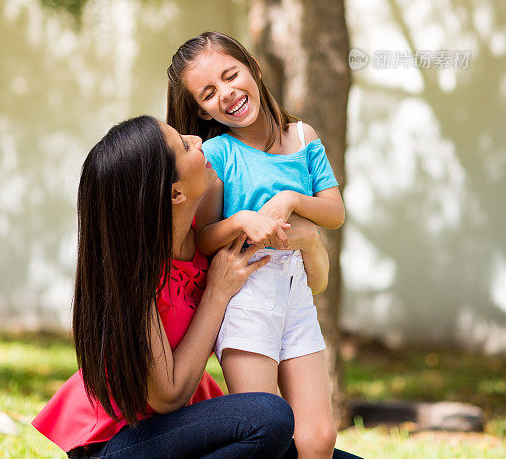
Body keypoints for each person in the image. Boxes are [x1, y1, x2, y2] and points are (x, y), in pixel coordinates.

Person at [32, 115, 335, 459]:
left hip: (179, 431)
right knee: (269, 417)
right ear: (175, 192)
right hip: (119, 440)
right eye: (184, 145)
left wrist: (310, 238)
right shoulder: (135, 272)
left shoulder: (207, 235)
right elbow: (168, 395)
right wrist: (217, 294)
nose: (199, 140)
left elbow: (316, 284)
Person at [167, 32, 346, 459]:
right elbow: (204, 238)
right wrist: (242, 221)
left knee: (318, 436)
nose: (226, 94)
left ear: (255, 68)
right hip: (246, 297)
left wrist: (291, 200)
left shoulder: (303, 137)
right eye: (208, 93)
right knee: (266, 433)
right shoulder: (216, 153)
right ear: (199, 109)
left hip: (296, 296)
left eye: (231, 75)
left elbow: (334, 212)